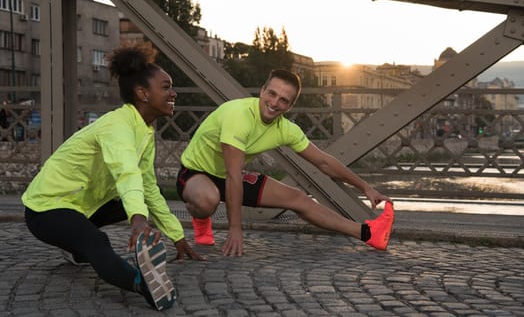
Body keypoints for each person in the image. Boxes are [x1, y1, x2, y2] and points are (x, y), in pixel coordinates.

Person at [22, 44, 203, 311]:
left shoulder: (143, 131)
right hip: (46, 208)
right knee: (98, 241)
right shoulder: (117, 125)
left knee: (134, 202)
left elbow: (148, 187)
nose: (173, 93)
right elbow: (126, 172)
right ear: (143, 93)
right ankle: (143, 284)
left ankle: (75, 247)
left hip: (80, 206)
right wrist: (138, 221)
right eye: (166, 87)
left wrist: (177, 236)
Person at [176, 69, 395, 257]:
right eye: (271, 94)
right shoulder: (239, 115)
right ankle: (201, 218)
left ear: (290, 106)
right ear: (262, 91)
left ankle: (368, 233)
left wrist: (365, 187)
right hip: (196, 173)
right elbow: (234, 176)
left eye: (283, 100)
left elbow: (324, 162)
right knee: (208, 199)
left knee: (298, 198)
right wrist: (235, 228)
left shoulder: (286, 129)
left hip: (228, 176)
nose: (274, 103)